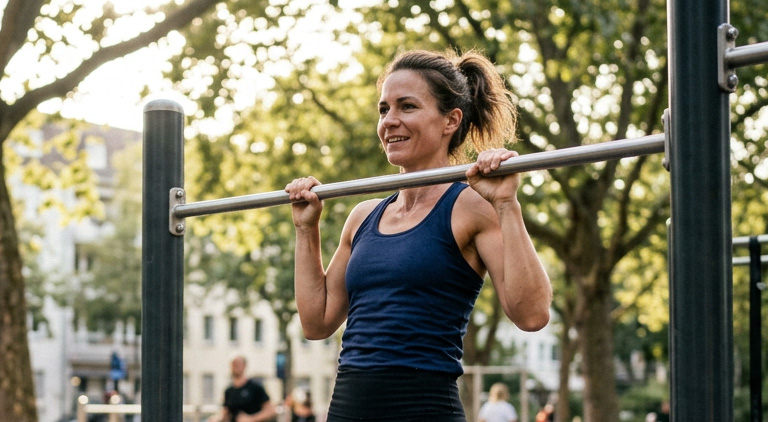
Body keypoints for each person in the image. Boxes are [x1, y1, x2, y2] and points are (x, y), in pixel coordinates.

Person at [286, 49, 552, 421]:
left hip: (424, 409)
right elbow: (317, 323)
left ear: (450, 121)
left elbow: (532, 315)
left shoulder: (471, 207)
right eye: (384, 109)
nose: (390, 121)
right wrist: (306, 229)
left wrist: (507, 204)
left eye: (406, 107)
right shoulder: (362, 216)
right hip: (348, 408)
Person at [208, 355, 277, 422]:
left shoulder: (255, 387)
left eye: (238, 364)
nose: (236, 366)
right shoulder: (229, 391)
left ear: (244, 366)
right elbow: (226, 413)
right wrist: (216, 419)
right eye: (233, 364)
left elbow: (271, 411)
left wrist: (251, 419)